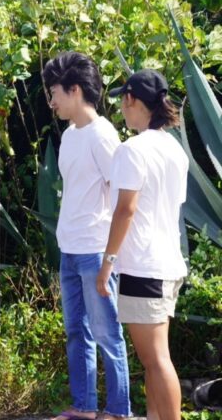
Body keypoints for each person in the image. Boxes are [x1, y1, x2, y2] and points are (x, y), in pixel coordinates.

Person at [43, 52, 132, 420]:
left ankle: (118, 411)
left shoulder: (103, 134)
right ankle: (84, 407)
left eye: (55, 93)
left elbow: (123, 195)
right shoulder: (68, 136)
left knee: (108, 334)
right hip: (70, 248)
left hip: (96, 251)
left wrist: (111, 259)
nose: (52, 101)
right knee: (77, 334)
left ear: (75, 89)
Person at [97, 69, 188, 420]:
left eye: (123, 99)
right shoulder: (174, 150)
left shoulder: (132, 150)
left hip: (142, 266)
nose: (122, 106)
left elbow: (125, 210)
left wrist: (107, 263)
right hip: (168, 265)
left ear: (132, 99)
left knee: (156, 360)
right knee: (154, 361)